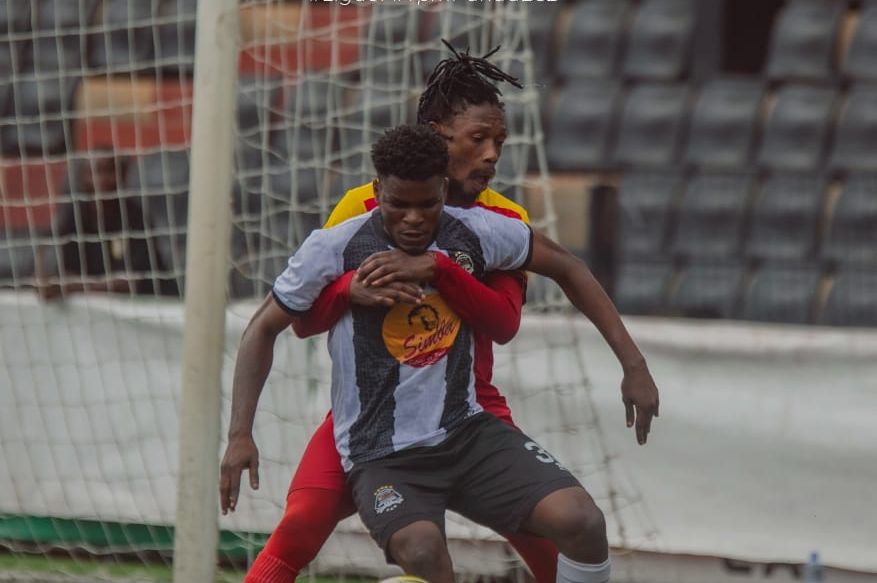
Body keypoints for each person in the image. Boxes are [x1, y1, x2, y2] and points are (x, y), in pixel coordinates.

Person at [222, 46, 659, 582]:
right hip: (370, 413)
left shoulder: (499, 221)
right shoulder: (358, 213)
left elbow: (504, 324)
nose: (492, 155)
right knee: (304, 523)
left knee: (560, 529)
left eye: (499, 142)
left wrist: (443, 270)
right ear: (437, 136)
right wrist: (348, 291)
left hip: (469, 406)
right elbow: (303, 320)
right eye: (479, 139)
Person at [34, 150, 179, 300]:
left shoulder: (135, 218)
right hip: (94, 305)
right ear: (83, 177)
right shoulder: (73, 217)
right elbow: (55, 273)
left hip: (149, 304)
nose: (101, 180)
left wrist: (73, 286)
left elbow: (129, 283)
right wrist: (48, 281)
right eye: (94, 172)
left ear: (123, 175)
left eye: (109, 172)